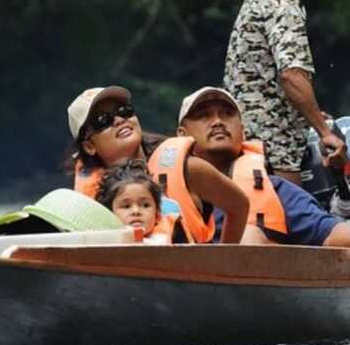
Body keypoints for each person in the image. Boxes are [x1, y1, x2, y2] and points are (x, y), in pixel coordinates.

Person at [177, 87, 350, 263]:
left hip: (255, 294)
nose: (217, 122)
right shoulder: (154, 188)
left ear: (243, 131)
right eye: (204, 115)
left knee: (246, 235)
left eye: (227, 114)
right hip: (179, 285)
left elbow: (327, 229)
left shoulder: (274, 189)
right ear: (182, 134)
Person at [223, 0, 348, 187]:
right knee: (289, 222)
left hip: (246, 135)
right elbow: (292, 76)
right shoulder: (283, 3)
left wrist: (312, 115)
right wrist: (325, 132)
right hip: (272, 146)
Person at [66, 86, 249, 243]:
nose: (119, 120)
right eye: (103, 120)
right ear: (89, 146)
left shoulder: (187, 168)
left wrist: (223, 258)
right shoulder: (87, 196)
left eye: (124, 111)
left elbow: (239, 205)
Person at [95, 163, 176, 243]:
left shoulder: (173, 237)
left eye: (145, 205)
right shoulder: (102, 243)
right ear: (110, 214)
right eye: (126, 206)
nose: (136, 211)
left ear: (157, 214)